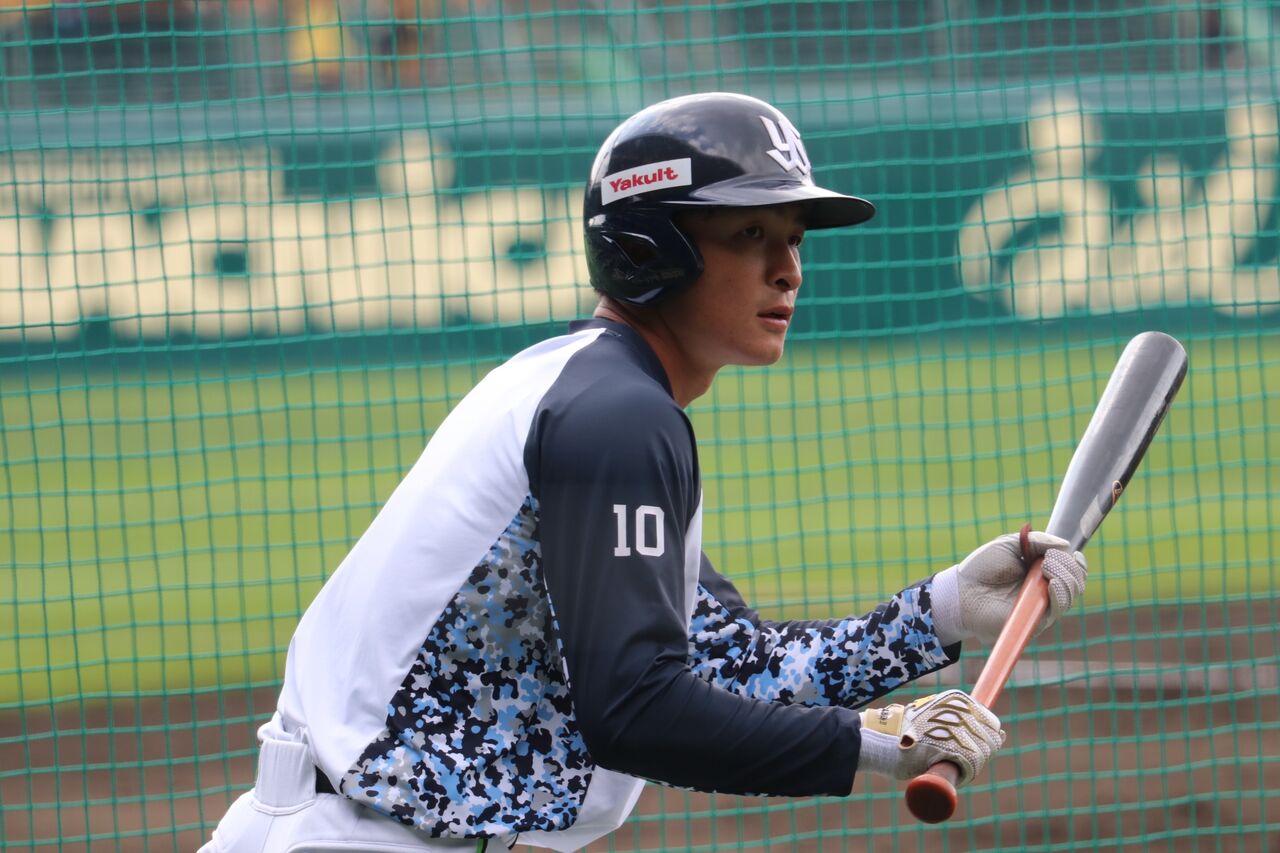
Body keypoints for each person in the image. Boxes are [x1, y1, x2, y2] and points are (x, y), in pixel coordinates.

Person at [199, 91, 1087, 853]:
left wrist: (941, 611)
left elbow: (729, 663)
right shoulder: (618, 416)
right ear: (652, 245)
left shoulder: (592, 390)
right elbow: (635, 709)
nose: (789, 270)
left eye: (792, 237)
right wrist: (873, 740)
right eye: (751, 234)